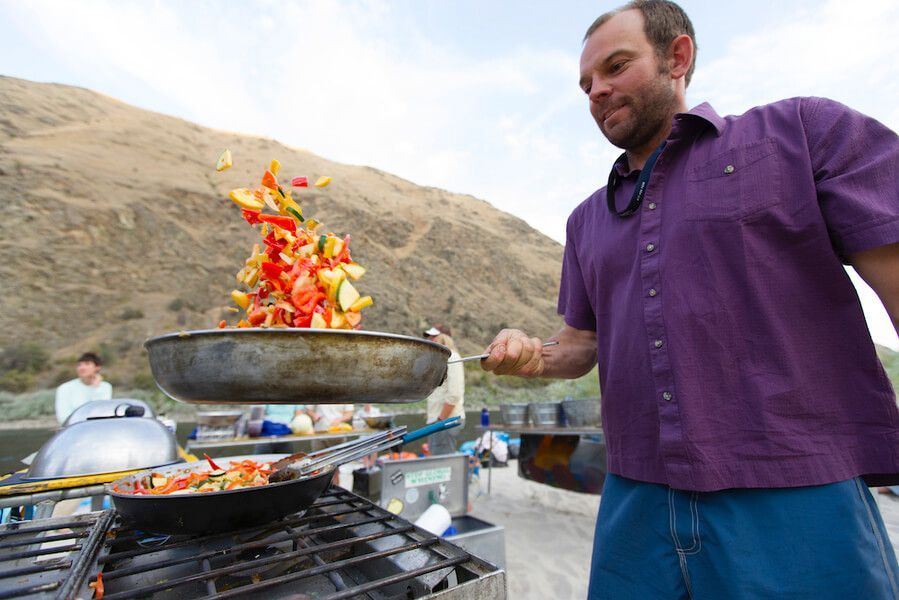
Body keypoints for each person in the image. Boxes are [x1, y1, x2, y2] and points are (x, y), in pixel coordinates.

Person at [481, 1, 899, 598]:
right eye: (586, 83)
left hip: (796, 490)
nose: (597, 91)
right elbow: (578, 343)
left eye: (616, 67)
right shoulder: (585, 222)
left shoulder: (801, 134)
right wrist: (533, 355)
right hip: (633, 497)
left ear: (678, 57)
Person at [423, 325, 465, 455]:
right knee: (440, 461)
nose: (430, 339)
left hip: (445, 421)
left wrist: (441, 420)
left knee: (442, 463)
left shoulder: (452, 357)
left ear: (444, 338)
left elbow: (455, 393)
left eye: (434, 336)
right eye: (430, 336)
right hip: (439, 421)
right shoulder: (441, 360)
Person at [54, 352, 112, 425]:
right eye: (79, 365)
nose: (82, 368)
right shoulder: (65, 388)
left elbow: (102, 412)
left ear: (97, 367)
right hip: (73, 429)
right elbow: (63, 418)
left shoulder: (105, 387)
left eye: (87, 364)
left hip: (98, 428)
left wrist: (96, 388)